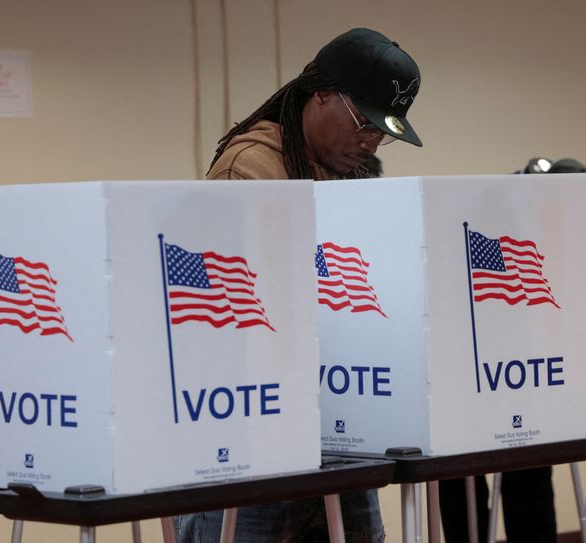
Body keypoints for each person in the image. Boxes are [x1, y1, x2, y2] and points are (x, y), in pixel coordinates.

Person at [178, 27, 422, 543]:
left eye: (384, 131)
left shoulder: (347, 175)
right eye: (365, 123)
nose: (372, 141)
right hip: (254, 441)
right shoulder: (251, 169)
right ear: (321, 94)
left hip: (339, 425)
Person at [438, 156, 586, 543]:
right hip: (466, 359)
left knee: (526, 463)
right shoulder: (492, 212)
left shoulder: (541, 218)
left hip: (522, 365)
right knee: (462, 468)